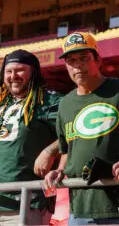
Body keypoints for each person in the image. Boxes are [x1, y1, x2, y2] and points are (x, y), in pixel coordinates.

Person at [44, 32, 119, 225]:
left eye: (84, 58)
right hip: (81, 207)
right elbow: (67, 149)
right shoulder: (65, 103)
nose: (78, 65)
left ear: (98, 60)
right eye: (71, 60)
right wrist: (60, 171)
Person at [0, 49, 62, 225]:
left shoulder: (49, 101)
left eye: (20, 70)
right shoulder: (2, 102)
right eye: (8, 71)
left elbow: (75, 132)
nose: (13, 76)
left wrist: (50, 151)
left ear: (34, 72)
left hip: (26, 202)